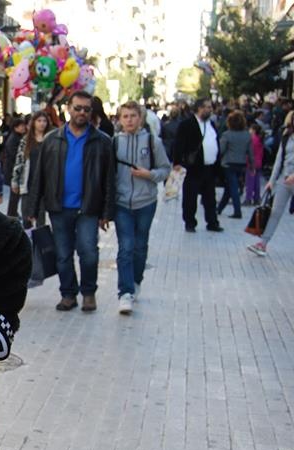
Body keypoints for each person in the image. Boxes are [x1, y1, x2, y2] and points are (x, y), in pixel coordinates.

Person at [26, 91, 115, 312]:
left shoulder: (102, 141)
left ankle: (88, 293)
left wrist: (106, 212)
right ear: (69, 109)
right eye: (78, 108)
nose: (82, 113)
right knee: (63, 255)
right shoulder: (51, 140)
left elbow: (109, 180)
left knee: (88, 252)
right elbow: (39, 176)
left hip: (88, 207)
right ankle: (68, 294)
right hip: (58, 207)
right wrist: (33, 207)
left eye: (86, 109)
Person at [112, 101, 170, 315]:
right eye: (125, 116)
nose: (129, 120)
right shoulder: (115, 143)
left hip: (146, 201)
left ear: (141, 118)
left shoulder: (153, 141)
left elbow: (165, 169)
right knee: (125, 246)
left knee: (140, 245)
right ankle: (124, 292)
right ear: (119, 119)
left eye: (133, 116)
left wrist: (150, 175)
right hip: (122, 203)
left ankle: (136, 280)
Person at [172, 97, 223, 233]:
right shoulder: (187, 124)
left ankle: (212, 222)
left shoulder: (211, 124)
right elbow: (178, 144)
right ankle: (190, 222)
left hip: (209, 167)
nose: (209, 110)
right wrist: (177, 162)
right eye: (206, 107)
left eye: (210, 107)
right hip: (193, 167)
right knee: (190, 197)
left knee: (210, 197)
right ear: (199, 108)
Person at [248, 110, 294, 257]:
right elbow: (279, 159)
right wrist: (272, 181)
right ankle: (263, 243)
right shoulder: (286, 136)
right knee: (274, 212)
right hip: (284, 179)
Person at [11, 111, 51, 229]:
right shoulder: (26, 140)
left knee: (41, 218)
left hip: (43, 184)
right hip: (27, 182)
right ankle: (28, 243)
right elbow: (19, 161)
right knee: (26, 217)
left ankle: (40, 246)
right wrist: (15, 180)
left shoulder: (50, 139)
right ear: (33, 123)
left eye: (44, 121)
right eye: (39, 121)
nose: (42, 124)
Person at [216, 110, 252, 219]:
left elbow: (221, 150)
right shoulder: (247, 135)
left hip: (228, 164)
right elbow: (250, 152)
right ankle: (219, 209)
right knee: (230, 187)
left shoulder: (227, 135)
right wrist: (252, 164)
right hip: (241, 164)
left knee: (232, 187)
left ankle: (237, 211)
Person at [2, 116, 26, 219]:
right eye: (21, 126)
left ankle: (13, 212)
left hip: (13, 170)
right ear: (16, 127)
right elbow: (14, 155)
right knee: (14, 194)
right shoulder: (13, 139)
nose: (23, 127)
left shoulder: (17, 137)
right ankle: (11, 213)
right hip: (12, 170)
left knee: (15, 194)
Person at [245, 122, 264, 205]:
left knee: (250, 182)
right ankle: (256, 198)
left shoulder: (252, 139)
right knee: (256, 182)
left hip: (251, 163)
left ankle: (248, 198)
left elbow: (250, 152)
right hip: (259, 162)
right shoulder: (260, 139)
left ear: (254, 130)